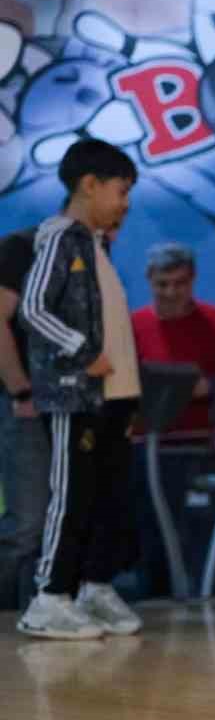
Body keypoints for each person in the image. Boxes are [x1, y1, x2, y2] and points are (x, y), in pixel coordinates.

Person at [16, 138, 144, 639]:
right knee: (72, 495)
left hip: (114, 398)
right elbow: (33, 308)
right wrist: (82, 351)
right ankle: (49, 596)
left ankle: (94, 585)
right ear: (88, 186)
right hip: (78, 393)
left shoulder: (97, 245)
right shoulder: (61, 238)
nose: (126, 202)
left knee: (109, 496)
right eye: (121, 190)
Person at [130, 242, 215, 442]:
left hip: (204, 441)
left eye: (180, 283)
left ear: (193, 278)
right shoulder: (131, 327)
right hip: (147, 443)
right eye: (162, 284)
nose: (171, 292)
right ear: (149, 279)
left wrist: (210, 386)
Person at [0, 223, 50, 609]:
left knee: (51, 519)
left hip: (64, 403)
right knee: (27, 524)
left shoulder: (95, 252)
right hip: (24, 403)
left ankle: (44, 605)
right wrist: (20, 388)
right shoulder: (23, 247)